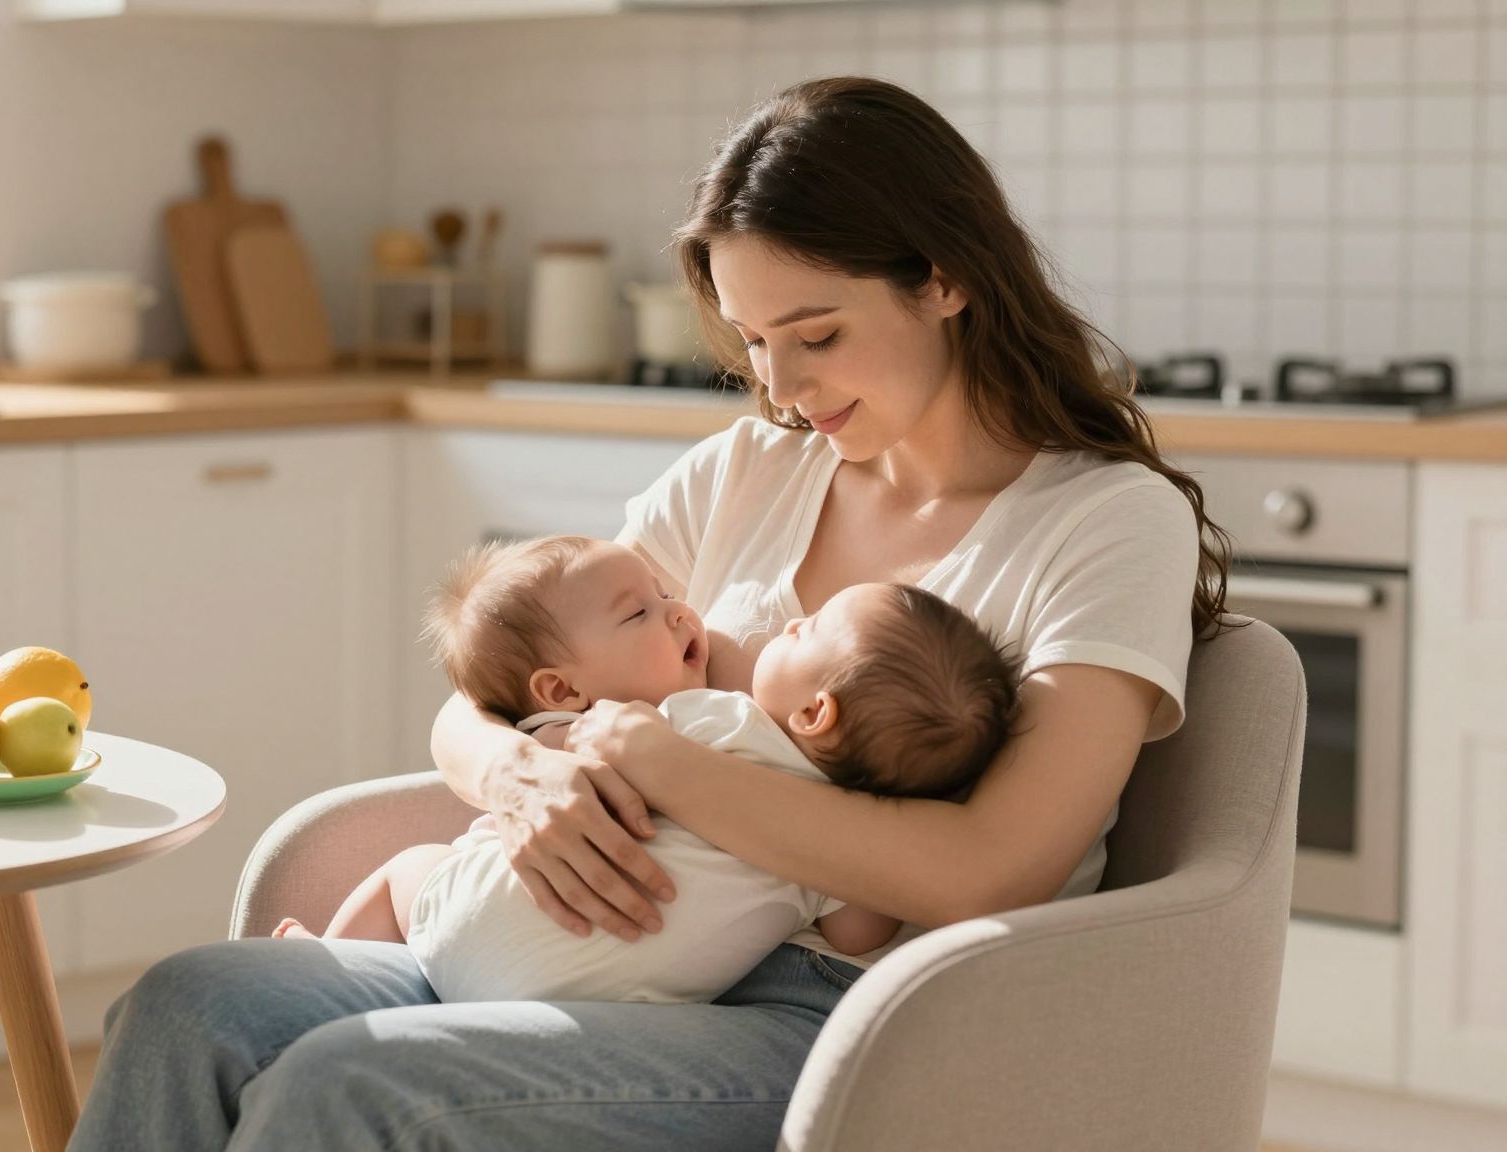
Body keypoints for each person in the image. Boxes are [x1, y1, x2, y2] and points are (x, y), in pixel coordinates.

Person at [68, 76, 1230, 1151]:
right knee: (193, 1005)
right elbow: (498, 685)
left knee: (350, 1085)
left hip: (857, 1018)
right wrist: (516, 776)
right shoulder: (750, 471)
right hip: (587, 958)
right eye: (754, 342)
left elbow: (991, 868)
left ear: (943, 278)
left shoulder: (1101, 521)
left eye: (815, 334)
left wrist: (648, 758)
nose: (779, 387)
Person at [273, 535, 1021, 1009]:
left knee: (410, 867)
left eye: (807, 630)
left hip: (476, 926)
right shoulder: (830, 853)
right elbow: (861, 931)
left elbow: (573, 728)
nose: (680, 612)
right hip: (599, 1004)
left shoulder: (706, 721)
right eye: (651, 607)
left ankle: (330, 967)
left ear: (816, 713)